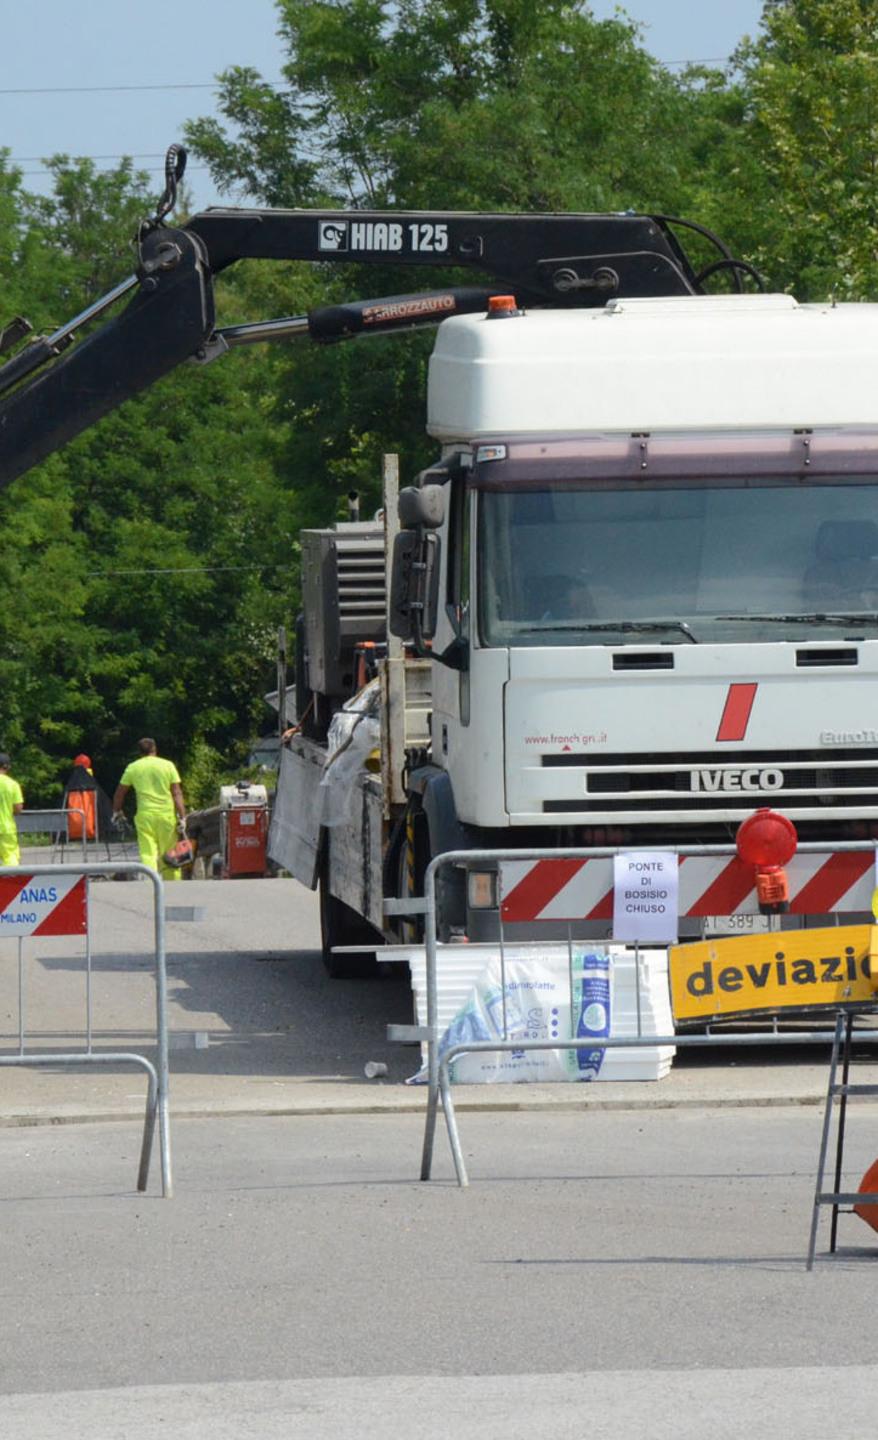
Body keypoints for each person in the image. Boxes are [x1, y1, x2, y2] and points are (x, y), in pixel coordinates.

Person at [112, 738, 187, 880]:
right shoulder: (168, 765)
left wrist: (117, 812)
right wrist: (183, 816)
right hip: (166, 816)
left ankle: (151, 882)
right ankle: (173, 883)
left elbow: (120, 793)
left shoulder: (133, 767)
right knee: (169, 852)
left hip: (145, 815)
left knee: (148, 853)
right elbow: (176, 792)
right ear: (155, 749)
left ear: (140, 752)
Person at [62, 753, 113, 846]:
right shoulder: (90, 777)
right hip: (89, 807)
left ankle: (70, 834)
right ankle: (95, 832)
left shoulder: (72, 781)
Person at [0, 752, 24, 866]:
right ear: (7, 766)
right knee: (10, 859)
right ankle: (10, 882)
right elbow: (18, 808)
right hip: (6, 828)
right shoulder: (12, 784)